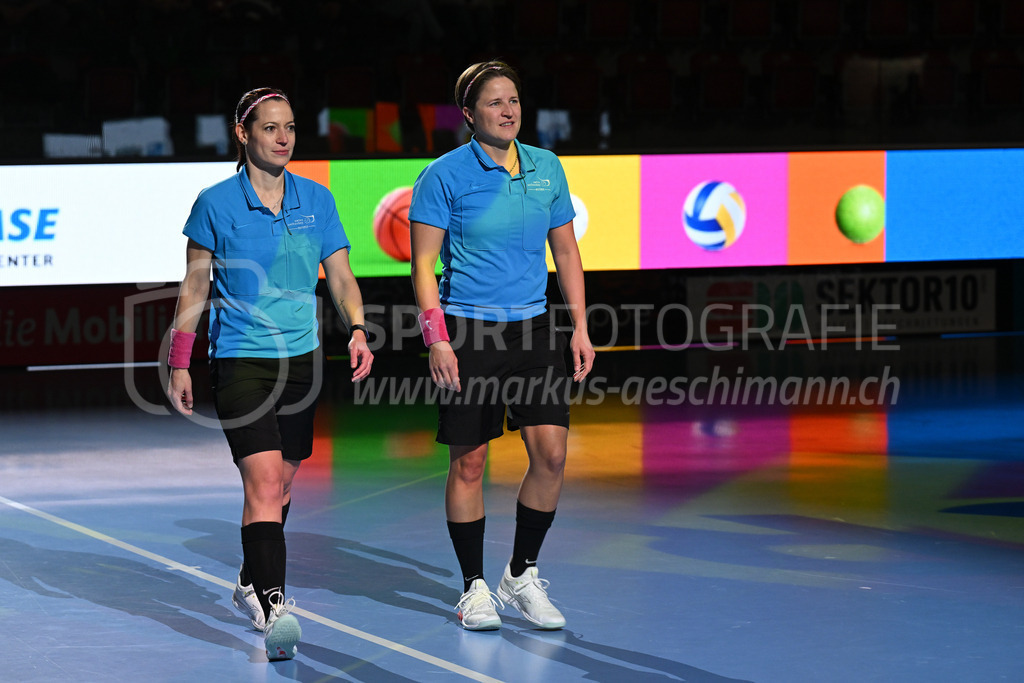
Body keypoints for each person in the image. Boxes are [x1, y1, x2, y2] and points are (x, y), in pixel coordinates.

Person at [165, 87, 373, 660]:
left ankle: (249, 580)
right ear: (243, 133)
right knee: (260, 484)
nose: (283, 138)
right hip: (240, 360)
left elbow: (341, 276)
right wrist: (180, 358)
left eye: (290, 128)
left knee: (281, 485)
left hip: (303, 360)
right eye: (270, 128)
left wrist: (357, 327)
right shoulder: (214, 203)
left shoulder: (318, 200)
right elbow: (194, 285)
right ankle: (276, 605)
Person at [408, 60, 595, 631]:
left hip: (536, 329)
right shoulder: (442, 176)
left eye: (514, 99)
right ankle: (473, 587)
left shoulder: (547, 167)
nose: (509, 110)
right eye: (494, 102)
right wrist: (438, 340)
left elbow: (565, 253)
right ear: (468, 114)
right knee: (469, 462)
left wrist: (580, 327)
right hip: (468, 330)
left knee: (553, 456)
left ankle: (520, 572)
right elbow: (420, 265)